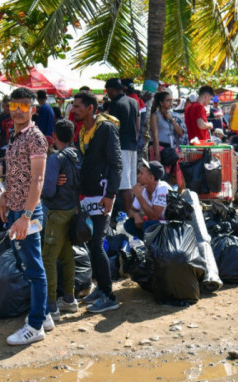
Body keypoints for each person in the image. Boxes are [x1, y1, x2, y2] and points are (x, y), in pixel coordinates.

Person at [0, 87, 49, 345]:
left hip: (28, 212)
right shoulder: (15, 135)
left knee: (33, 267)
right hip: (16, 208)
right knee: (26, 263)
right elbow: (19, 172)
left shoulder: (35, 138)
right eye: (13, 106)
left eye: (23, 107)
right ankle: (44, 313)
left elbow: (38, 179)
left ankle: (36, 325)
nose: (18, 111)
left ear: (33, 109)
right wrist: (6, 194)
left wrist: (26, 215)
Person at [69, 90, 122, 314]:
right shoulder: (83, 131)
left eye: (78, 107)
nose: (74, 110)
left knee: (97, 244)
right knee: (91, 243)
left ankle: (109, 295)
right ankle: (101, 288)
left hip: (102, 196)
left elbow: (117, 164)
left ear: (91, 108)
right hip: (88, 195)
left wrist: (110, 195)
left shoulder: (106, 129)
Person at [41, 119, 81, 320]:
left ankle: (51, 306)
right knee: (67, 257)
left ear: (54, 137)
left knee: (48, 258)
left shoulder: (56, 159)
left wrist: (42, 185)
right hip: (72, 210)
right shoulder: (76, 155)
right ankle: (69, 298)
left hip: (57, 213)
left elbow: (48, 190)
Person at [106, 78, 139, 214]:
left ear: (112, 90)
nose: (107, 94)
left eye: (107, 91)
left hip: (121, 146)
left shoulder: (115, 104)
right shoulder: (133, 101)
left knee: (125, 186)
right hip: (132, 145)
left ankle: (129, 217)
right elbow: (138, 125)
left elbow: (112, 128)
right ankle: (133, 214)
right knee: (131, 185)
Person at [124, 160, 170, 239]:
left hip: (170, 228)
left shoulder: (163, 188)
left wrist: (139, 195)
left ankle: (155, 247)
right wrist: (136, 215)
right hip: (156, 225)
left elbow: (154, 216)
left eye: (141, 173)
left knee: (148, 225)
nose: (138, 176)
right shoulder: (144, 189)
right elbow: (131, 211)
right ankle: (149, 245)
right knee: (129, 224)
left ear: (151, 178)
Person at [149, 91, 184, 162]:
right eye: (168, 100)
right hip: (159, 148)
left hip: (171, 150)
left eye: (171, 100)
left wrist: (171, 120)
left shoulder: (172, 115)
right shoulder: (155, 115)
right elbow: (155, 136)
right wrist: (157, 154)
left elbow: (180, 133)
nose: (170, 103)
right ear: (161, 103)